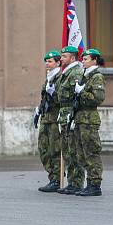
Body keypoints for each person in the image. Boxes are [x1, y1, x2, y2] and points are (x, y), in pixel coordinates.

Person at [74, 48, 106, 196]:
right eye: (82, 59)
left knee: (91, 152)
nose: (83, 61)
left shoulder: (96, 76)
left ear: (94, 60)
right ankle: (89, 182)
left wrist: (82, 92)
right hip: (80, 118)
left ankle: (95, 184)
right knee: (82, 153)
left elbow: (97, 98)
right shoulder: (85, 76)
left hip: (89, 120)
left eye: (86, 59)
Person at [56, 45, 85, 195]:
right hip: (64, 113)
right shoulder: (65, 73)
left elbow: (75, 96)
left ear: (73, 58)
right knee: (67, 150)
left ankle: (77, 182)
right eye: (61, 56)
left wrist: (73, 115)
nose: (61, 59)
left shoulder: (76, 72)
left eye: (64, 56)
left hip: (71, 113)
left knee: (74, 150)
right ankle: (72, 181)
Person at [36, 50, 62, 193]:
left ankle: (56, 179)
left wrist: (54, 94)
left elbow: (63, 98)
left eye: (50, 61)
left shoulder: (60, 77)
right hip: (46, 118)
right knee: (43, 148)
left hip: (55, 119)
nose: (47, 63)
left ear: (58, 63)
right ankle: (51, 175)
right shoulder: (49, 77)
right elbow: (44, 98)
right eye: (46, 61)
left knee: (54, 149)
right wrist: (39, 110)